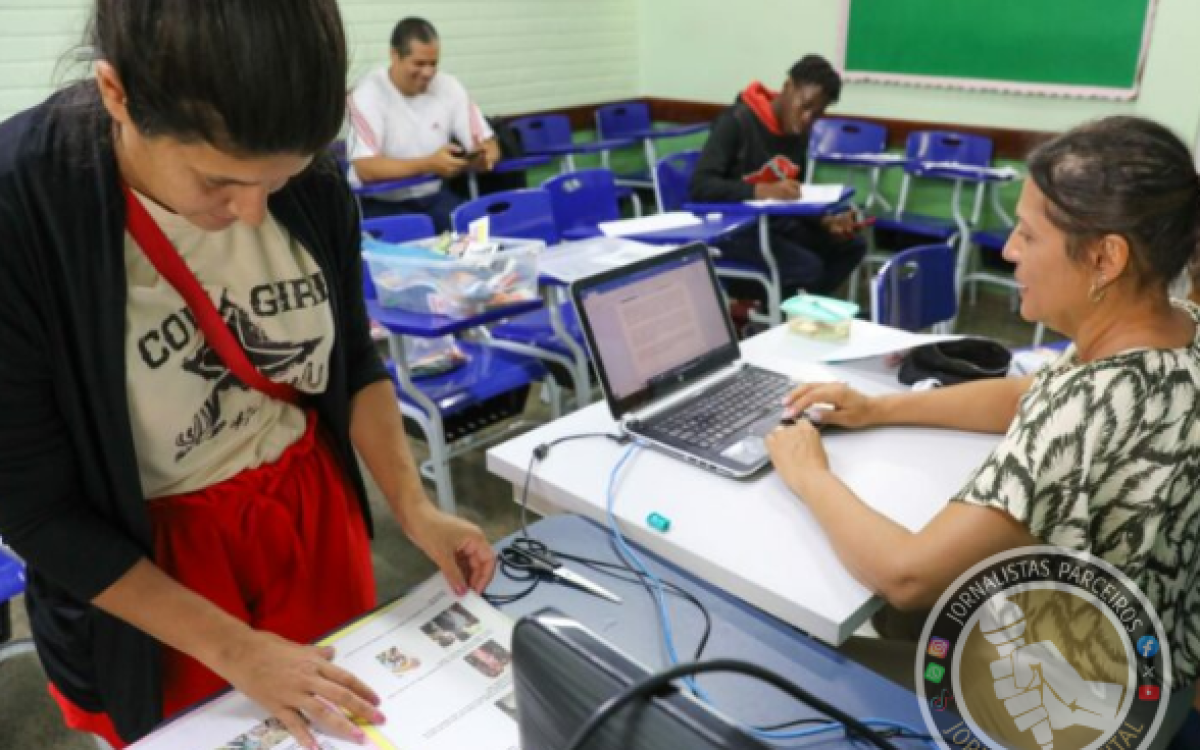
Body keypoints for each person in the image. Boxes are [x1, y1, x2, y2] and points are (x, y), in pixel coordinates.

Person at [0, 2, 496, 748]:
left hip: (307, 510)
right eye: (219, 182)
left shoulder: (304, 169)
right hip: (146, 570)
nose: (253, 212)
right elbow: (35, 509)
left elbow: (350, 359)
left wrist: (413, 505)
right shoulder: (24, 209)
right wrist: (231, 648)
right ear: (116, 95)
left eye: (283, 178)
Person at [765, 116, 1200, 748]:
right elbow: (1029, 393)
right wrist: (876, 407)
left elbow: (908, 575)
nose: (1008, 251)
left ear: (1106, 256)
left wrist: (808, 473)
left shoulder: (1083, 411)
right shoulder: (1176, 325)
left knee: (794, 645)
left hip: (1071, 704)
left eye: (1027, 234)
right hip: (1156, 668)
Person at [689, 54, 867, 299]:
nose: (807, 119)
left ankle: (784, 310)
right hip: (734, 232)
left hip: (776, 227)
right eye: (804, 106)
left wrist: (825, 221)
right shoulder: (735, 122)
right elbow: (701, 186)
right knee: (807, 268)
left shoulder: (799, 133)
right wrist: (761, 191)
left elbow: (794, 197)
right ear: (788, 87)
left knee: (852, 247)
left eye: (816, 114)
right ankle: (771, 311)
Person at [346, 17, 501, 230]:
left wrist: (485, 154)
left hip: (435, 198)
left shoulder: (448, 86)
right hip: (380, 204)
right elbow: (366, 168)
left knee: (479, 236)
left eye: (433, 64)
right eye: (419, 63)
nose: (428, 72)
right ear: (394, 55)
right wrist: (430, 164)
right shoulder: (366, 94)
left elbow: (485, 141)